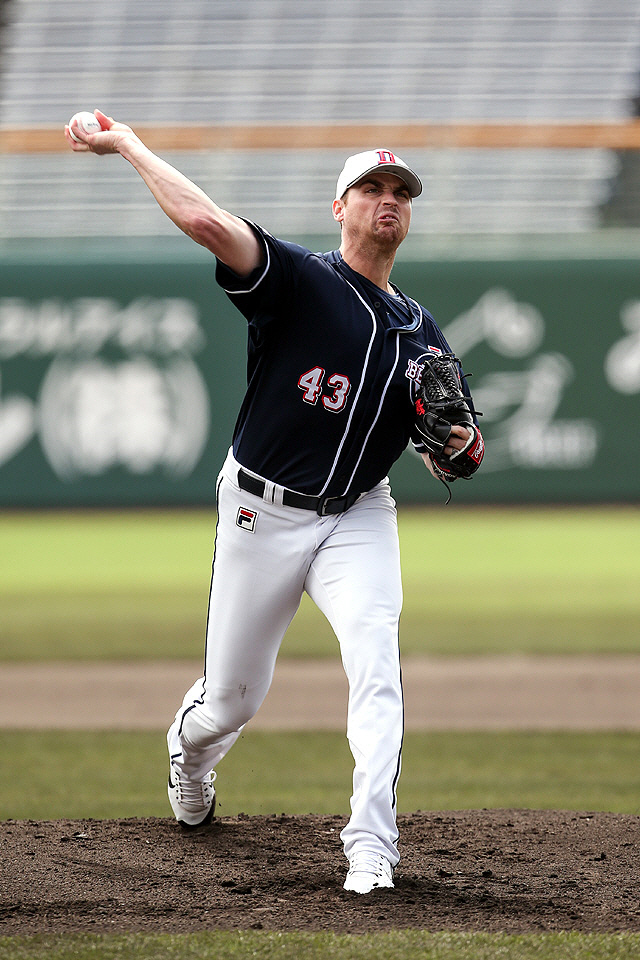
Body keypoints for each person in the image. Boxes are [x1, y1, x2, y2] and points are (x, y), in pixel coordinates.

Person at [65, 111, 479, 895]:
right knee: (230, 701)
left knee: (377, 664)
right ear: (340, 206)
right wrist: (127, 145)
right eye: (370, 187)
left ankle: (371, 847)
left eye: (401, 191)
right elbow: (203, 219)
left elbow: (457, 446)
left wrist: (456, 447)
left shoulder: (424, 334)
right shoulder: (298, 280)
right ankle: (189, 761)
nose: (387, 200)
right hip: (263, 510)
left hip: (360, 512)